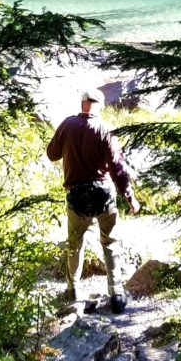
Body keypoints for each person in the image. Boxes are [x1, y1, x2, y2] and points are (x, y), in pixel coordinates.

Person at [46, 87, 141, 314]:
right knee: (110, 242)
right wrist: (130, 198)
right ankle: (116, 295)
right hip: (104, 194)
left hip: (77, 195)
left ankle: (74, 292)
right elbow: (118, 169)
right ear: (100, 106)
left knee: (75, 244)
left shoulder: (67, 124)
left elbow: (52, 154)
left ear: (82, 104)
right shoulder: (106, 129)